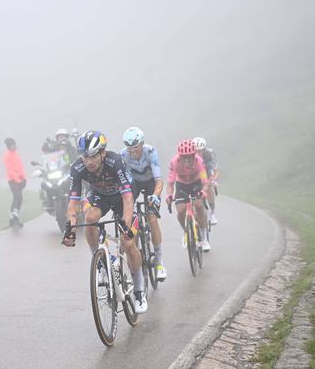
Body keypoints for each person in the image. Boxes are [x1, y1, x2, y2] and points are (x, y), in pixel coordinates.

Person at [61, 130, 148, 314]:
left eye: (93, 156)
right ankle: (99, 260)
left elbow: (127, 199)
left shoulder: (114, 162)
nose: (89, 161)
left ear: (102, 153)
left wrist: (126, 225)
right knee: (90, 218)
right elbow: (73, 203)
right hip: (100, 194)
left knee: (128, 241)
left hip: (122, 195)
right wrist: (70, 229)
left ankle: (139, 291)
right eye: (85, 156)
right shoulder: (77, 168)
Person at [120, 126, 167, 281]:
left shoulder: (150, 152)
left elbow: (159, 180)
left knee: (152, 219)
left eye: (135, 148)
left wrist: (155, 195)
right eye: (130, 148)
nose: (133, 152)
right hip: (135, 184)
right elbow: (125, 183)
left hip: (150, 183)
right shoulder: (123, 155)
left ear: (142, 144)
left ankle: (160, 263)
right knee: (129, 217)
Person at [165, 139, 211, 251]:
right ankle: (186, 231)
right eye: (183, 156)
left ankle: (204, 238)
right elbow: (170, 184)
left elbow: (205, 182)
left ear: (193, 155)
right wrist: (169, 195)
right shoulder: (174, 162)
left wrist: (204, 191)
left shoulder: (199, 161)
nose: (186, 159)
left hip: (196, 183)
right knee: (180, 211)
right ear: (179, 156)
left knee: (199, 206)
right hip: (181, 184)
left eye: (189, 156)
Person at [193, 137, 219, 225]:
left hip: (207, 170)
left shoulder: (209, 154)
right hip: (196, 172)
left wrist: (213, 180)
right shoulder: (189, 155)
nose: (198, 153)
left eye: (201, 151)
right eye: (196, 151)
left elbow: (215, 171)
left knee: (209, 186)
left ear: (205, 149)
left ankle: (212, 213)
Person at [3, 137, 27, 227]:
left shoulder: (16, 154)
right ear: (8, 146)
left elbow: (21, 167)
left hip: (20, 179)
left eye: (14, 145)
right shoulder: (6, 156)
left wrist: (24, 179)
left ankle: (12, 219)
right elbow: (10, 170)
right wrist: (17, 180)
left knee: (17, 199)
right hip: (12, 180)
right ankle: (15, 218)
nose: (14, 146)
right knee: (18, 197)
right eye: (12, 145)